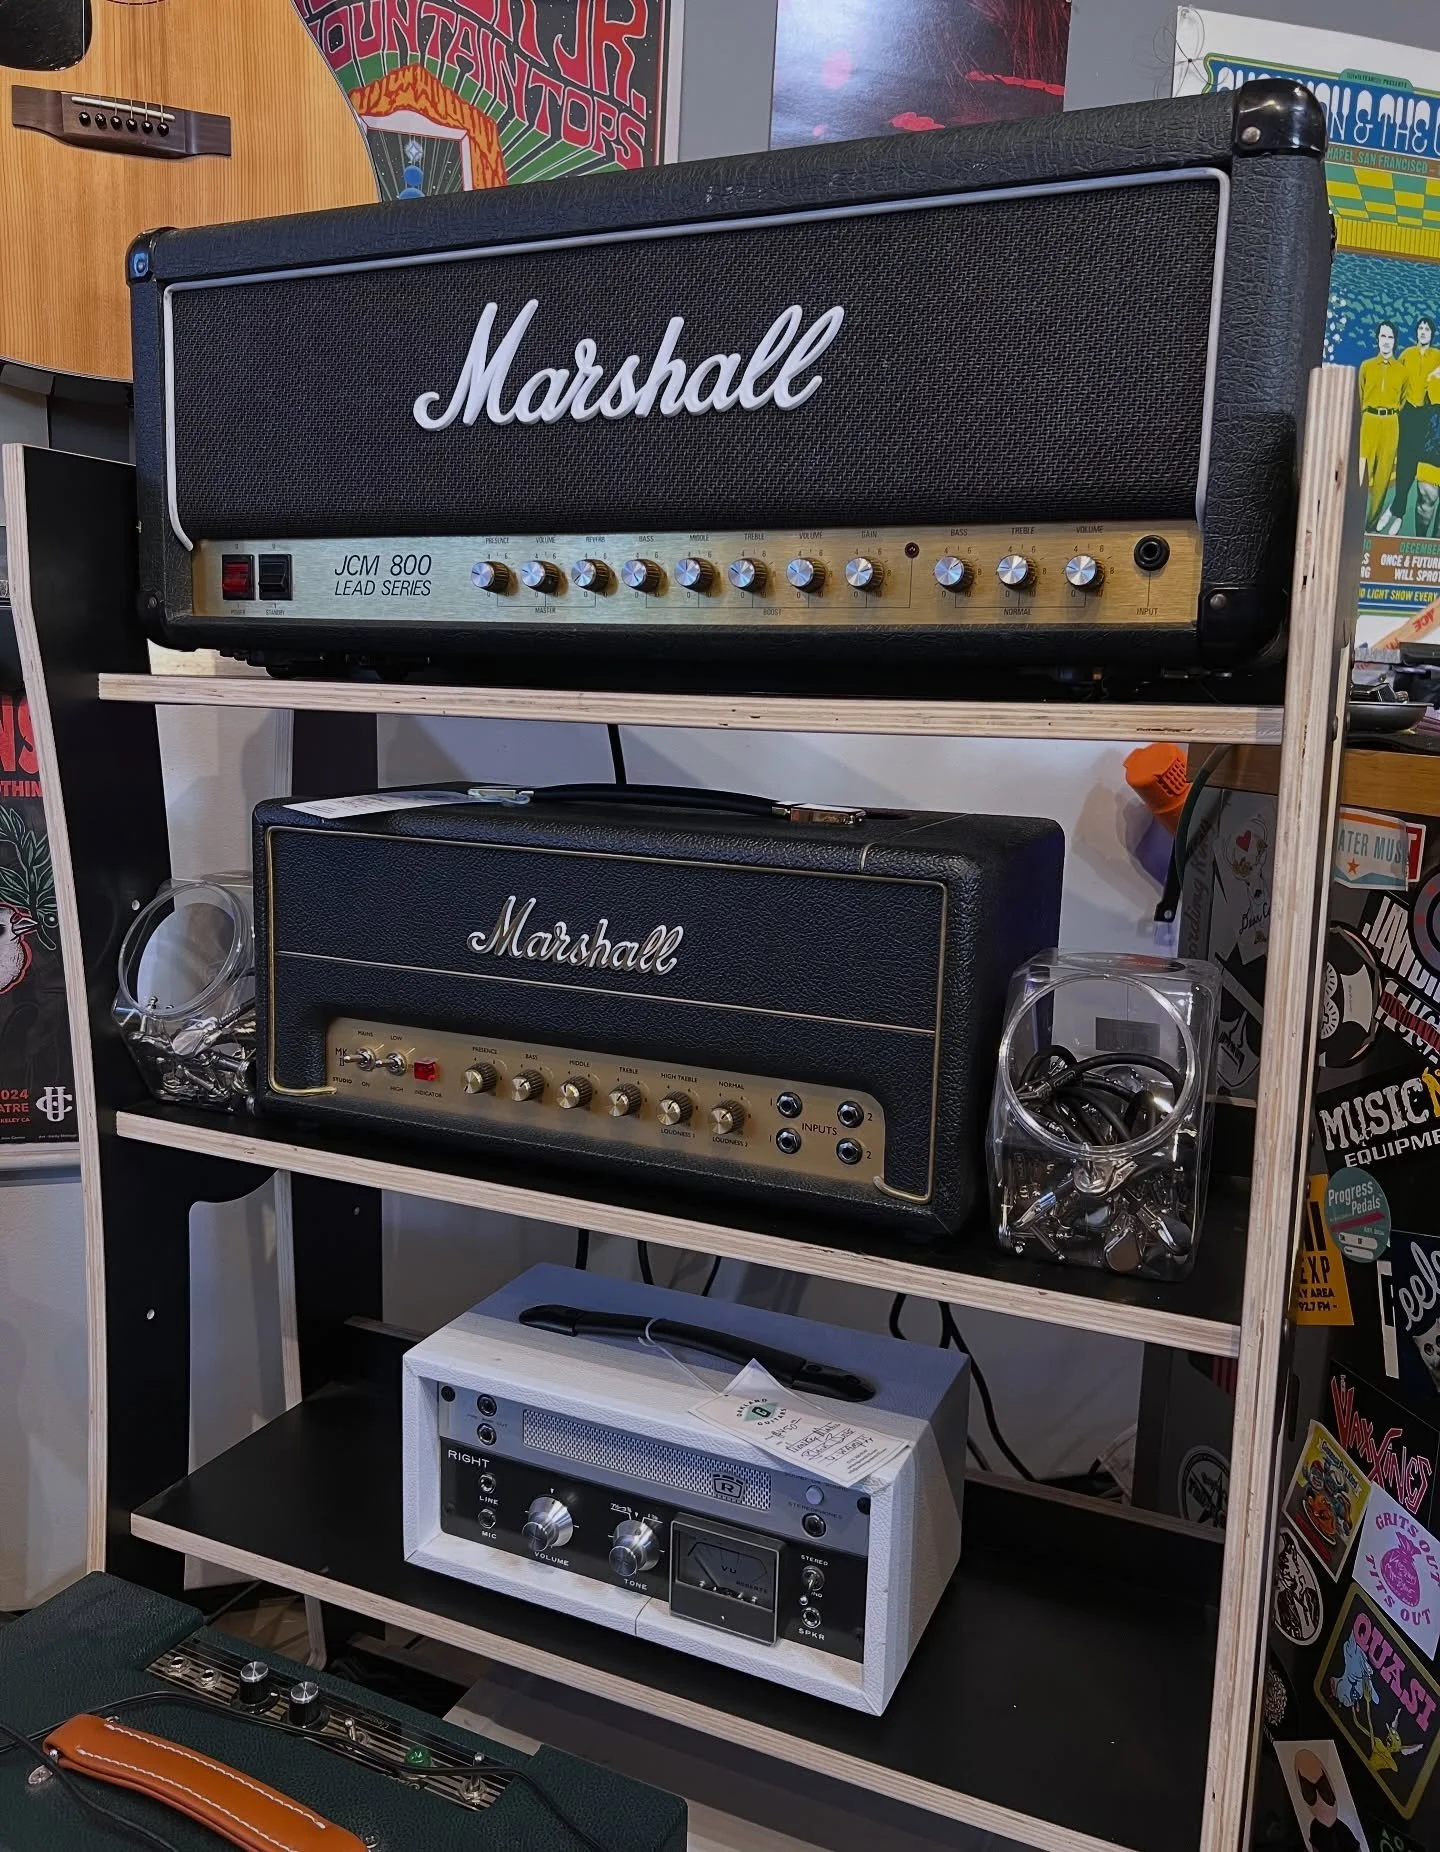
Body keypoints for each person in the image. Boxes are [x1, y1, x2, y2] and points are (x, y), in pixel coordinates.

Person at [1389, 317, 1440, 533]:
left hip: (1428, 421)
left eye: (1427, 329)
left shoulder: (1437, 358)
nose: (1423, 332)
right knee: (1424, 493)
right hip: (1419, 422)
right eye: (1421, 328)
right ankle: (1398, 511)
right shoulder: (1408, 355)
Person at [1359, 322, 1403, 529]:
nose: (1386, 341)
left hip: (1391, 422)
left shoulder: (1402, 371)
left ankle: (1370, 525)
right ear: (1377, 339)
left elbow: (1403, 399)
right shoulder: (1366, 367)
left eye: (1390, 337)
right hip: (1369, 420)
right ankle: (1353, 520)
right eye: (1383, 336)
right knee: (1361, 471)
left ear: (1395, 341)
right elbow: (1360, 394)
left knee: (1383, 476)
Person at [1291, 1747, 1360, 1852]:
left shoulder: (1342, 1829)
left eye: (1323, 1788)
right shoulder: (1315, 1828)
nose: (1320, 1800)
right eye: (1310, 1791)